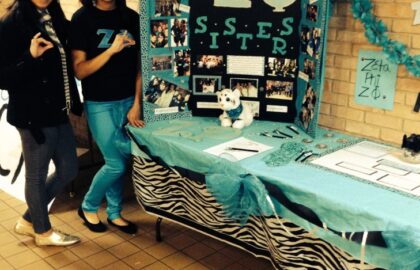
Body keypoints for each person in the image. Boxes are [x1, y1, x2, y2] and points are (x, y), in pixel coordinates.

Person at [0, 0, 82, 246]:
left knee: (69, 168)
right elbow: (3, 77)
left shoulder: (53, 17)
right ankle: (43, 232)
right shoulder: (11, 23)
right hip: (32, 114)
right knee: (36, 175)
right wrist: (30, 56)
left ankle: (29, 220)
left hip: (57, 110)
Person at [70, 0, 144, 234]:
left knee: (119, 160)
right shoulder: (82, 18)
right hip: (99, 103)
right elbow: (80, 71)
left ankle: (114, 212)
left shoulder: (130, 17)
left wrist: (137, 103)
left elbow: (142, 65)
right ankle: (88, 205)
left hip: (128, 103)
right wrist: (111, 50)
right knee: (115, 163)